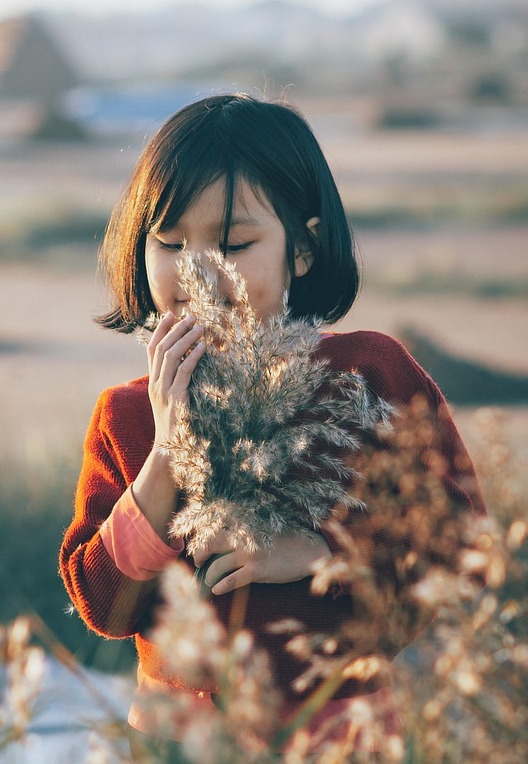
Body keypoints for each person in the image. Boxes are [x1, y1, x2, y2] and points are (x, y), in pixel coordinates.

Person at [58, 94, 487, 754]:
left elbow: (466, 553)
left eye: (234, 242)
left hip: (340, 738)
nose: (198, 271)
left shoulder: (369, 374)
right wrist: (170, 453)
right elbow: (105, 608)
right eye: (169, 243)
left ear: (305, 249)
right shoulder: (125, 415)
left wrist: (321, 554)